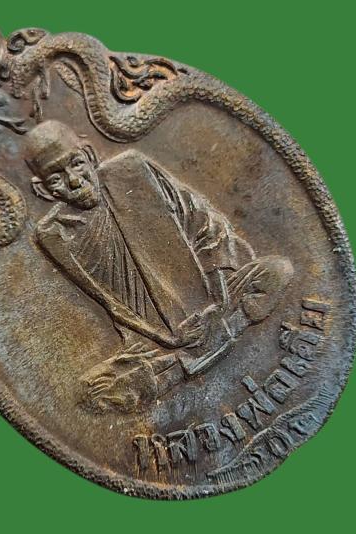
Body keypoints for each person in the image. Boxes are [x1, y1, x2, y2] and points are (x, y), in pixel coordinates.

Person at [25, 120, 293, 413]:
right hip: (151, 340)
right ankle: (197, 351)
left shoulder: (132, 170)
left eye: (76, 164)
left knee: (277, 271)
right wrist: (170, 338)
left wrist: (217, 301)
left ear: (89, 154)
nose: (75, 181)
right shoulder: (54, 234)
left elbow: (207, 227)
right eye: (56, 179)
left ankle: (194, 355)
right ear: (43, 190)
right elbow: (111, 303)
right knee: (95, 393)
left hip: (216, 300)